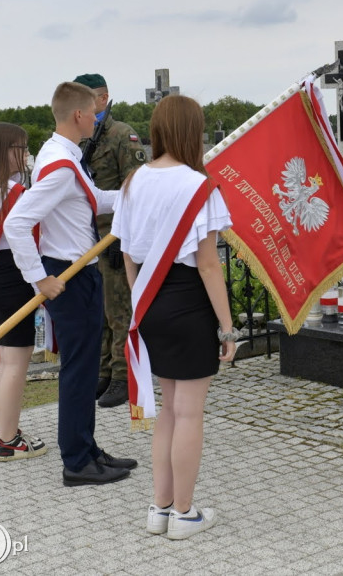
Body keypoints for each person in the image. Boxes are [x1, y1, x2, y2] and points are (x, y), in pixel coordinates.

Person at [111, 95, 237, 540]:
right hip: (189, 302)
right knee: (189, 413)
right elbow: (207, 265)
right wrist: (227, 327)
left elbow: (126, 254)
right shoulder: (199, 186)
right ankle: (184, 514)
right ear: (193, 131)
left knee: (168, 411)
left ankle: (159, 509)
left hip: (150, 302)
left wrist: (141, 302)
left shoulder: (132, 182)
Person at [4, 81, 137, 486]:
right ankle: (77, 462)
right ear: (78, 116)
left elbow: (94, 199)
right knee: (78, 372)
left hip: (78, 270)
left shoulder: (63, 156)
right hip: (67, 274)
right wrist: (39, 278)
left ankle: (87, 448)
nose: (97, 117)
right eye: (93, 112)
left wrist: (136, 193)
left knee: (80, 369)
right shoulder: (61, 166)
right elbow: (16, 222)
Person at [0, 122, 48, 461]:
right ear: (5, 151)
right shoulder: (12, 191)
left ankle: (3, 431)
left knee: (6, 361)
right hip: (13, 276)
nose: (26, 154)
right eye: (21, 147)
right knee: (16, 360)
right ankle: (8, 439)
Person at [72, 73, 147, 408]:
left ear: (103, 99)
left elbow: (135, 188)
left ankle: (122, 377)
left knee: (120, 310)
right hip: (89, 237)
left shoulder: (120, 135)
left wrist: (122, 236)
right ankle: (104, 371)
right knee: (100, 311)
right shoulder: (80, 137)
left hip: (115, 237)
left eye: (86, 100)